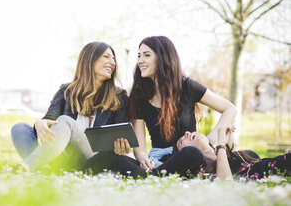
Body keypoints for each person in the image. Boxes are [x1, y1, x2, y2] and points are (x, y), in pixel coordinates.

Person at [84, 35, 237, 178]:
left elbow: (229, 108)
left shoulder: (187, 86)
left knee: (192, 153)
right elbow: (140, 149)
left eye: (146, 55)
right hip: (156, 161)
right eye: (139, 56)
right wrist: (144, 160)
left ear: (163, 58)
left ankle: (150, 179)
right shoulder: (139, 96)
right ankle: (153, 177)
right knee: (109, 156)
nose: (140, 61)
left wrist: (207, 140)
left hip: (186, 156)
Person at [11, 42, 128, 172]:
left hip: (95, 158)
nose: (113, 62)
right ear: (90, 59)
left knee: (65, 120)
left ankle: (28, 166)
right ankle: (49, 169)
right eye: (106, 57)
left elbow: (120, 132)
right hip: (63, 155)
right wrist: (40, 123)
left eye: (113, 59)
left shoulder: (119, 96)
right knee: (19, 128)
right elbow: (51, 120)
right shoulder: (66, 91)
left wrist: (122, 145)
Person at [176, 125, 291, 179]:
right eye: (181, 141)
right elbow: (226, 185)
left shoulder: (244, 156)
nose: (186, 132)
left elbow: (230, 109)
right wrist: (220, 145)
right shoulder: (203, 175)